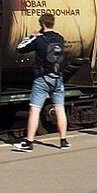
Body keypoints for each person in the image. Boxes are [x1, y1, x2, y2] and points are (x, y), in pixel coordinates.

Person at [13, 13, 69, 152]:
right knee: (60, 109)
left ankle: (29, 142)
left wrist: (33, 36)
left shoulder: (39, 40)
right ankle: (63, 141)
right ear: (52, 23)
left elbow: (20, 48)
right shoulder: (60, 38)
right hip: (58, 78)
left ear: (42, 24)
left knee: (34, 110)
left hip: (42, 79)